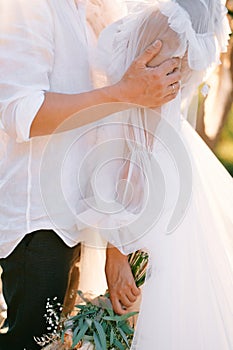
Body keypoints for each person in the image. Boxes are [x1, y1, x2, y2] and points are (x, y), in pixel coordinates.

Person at [0, 0, 181, 349]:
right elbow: (21, 114)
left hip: (73, 222)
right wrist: (124, 93)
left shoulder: (87, 10)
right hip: (37, 224)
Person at [76, 0, 233, 348]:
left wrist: (117, 244)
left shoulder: (171, 19)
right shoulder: (199, 15)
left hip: (145, 190)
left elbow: (141, 131)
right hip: (170, 173)